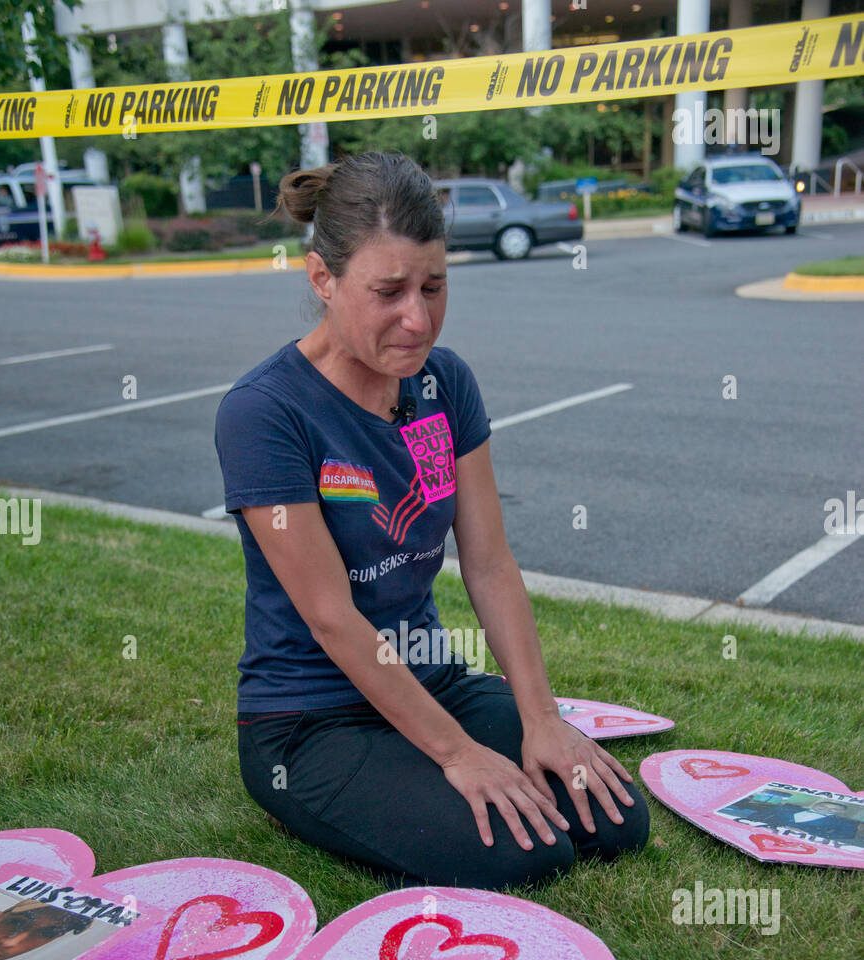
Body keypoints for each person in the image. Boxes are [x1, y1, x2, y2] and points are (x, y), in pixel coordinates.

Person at [215, 150, 650, 892]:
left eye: (433, 286)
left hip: (430, 678)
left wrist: (540, 719)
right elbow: (332, 619)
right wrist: (456, 754)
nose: (416, 318)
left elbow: (488, 564)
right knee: (525, 853)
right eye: (387, 291)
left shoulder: (443, 382)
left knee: (613, 822)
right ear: (322, 279)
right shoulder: (264, 413)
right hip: (308, 722)